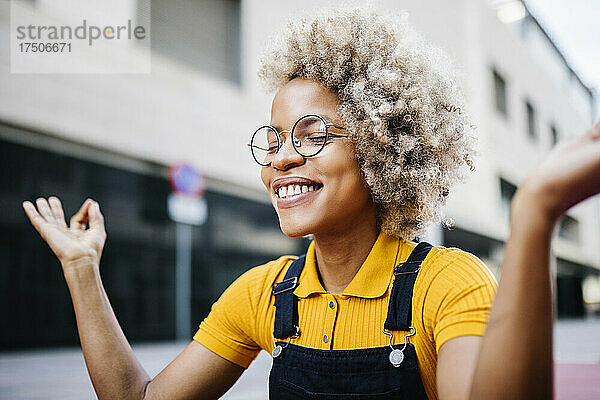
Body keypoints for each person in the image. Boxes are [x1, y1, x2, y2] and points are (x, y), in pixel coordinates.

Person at [22, 6, 600, 400]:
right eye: (274, 140)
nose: (281, 158)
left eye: (312, 134)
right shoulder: (263, 294)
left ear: (382, 148)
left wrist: (533, 217)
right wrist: (81, 269)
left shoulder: (448, 285)